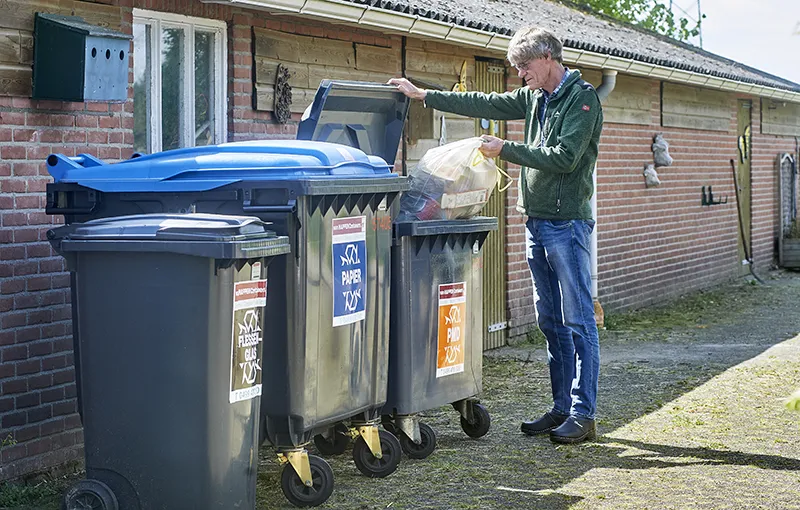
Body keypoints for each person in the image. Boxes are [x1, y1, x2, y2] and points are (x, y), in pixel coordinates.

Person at [389, 26, 602, 444]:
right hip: (537, 223)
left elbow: (564, 158)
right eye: (518, 68)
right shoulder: (536, 97)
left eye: (524, 66)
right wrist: (424, 96)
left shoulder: (582, 99)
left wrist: (505, 149)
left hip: (568, 225)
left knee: (577, 320)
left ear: (547, 58)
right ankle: (560, 408)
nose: (521, 74)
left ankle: (584, 412)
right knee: (550, 320)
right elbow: (485, 101)